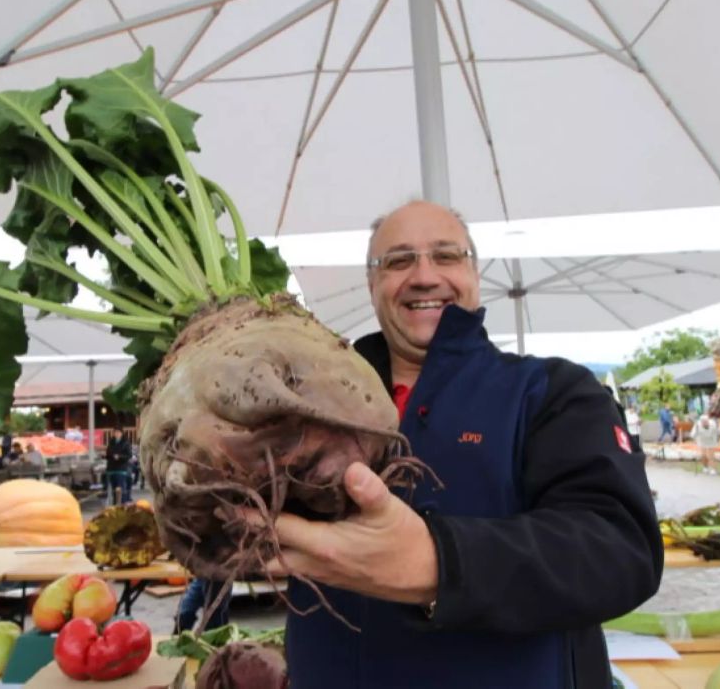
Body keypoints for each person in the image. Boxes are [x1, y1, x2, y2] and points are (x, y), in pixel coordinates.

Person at [259, 201, 663, 688]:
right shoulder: (304, 409)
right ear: (372, 283)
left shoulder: (551, 391)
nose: (425, 276)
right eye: (399, 260)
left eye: (446, 256)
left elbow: (619, 550)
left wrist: (437, 563)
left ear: (473, 271)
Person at [105, 428, 132, 504]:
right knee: (114, 489)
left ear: (121, 433)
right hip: (111, 468)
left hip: (121, 469)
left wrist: (119, 457)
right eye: (115, 432)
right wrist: (109, 456)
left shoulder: (126, 443)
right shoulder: (111, 442)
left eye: (118, 432)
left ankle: (122, 504)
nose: (116, 434)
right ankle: (115, 505)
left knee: (120, 488)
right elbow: (108, 454)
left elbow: (129, 455)